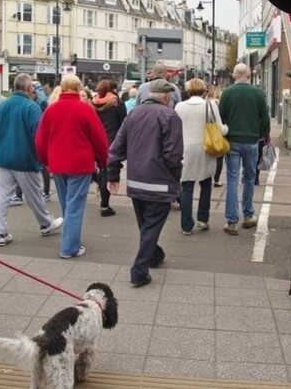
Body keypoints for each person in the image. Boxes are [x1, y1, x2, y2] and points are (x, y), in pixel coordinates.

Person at [107, 79, 183, 287]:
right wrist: (176, 179)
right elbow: (173, 155)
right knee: (151, 225)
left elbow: (116, 148)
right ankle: (139, 269)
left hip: (136, 181)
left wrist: (113, 175)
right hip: (160, 182)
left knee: (146, 225)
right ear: (167, 97)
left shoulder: (134, 114)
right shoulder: (170, 116)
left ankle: (154, 254)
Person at [36, 75, 109, 258]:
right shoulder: (85, 110)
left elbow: (40, 141)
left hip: (57, 164)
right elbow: (100, 139)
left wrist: (46, 160)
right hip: (80, 164)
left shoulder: (51, 111)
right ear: (78, 89)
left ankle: (70, 239)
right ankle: (69, 247)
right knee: (75, 206)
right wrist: (102, 159)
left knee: (66, 204)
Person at [0, 73, 63, 247]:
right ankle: (46, 223)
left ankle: (0, 232)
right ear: (28, 88)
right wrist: (43, 157)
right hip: (24, 159)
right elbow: (39, 136)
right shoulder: (32, 108)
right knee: (35, 195)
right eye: (32, 87)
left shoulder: (1, 106)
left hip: (4, 158)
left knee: (2, 196)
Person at [218, 63, 270, 235]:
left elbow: (221, 117)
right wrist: (262, 135)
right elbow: (265, 118)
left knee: (232, 179)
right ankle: (248, 215)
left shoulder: (227, 93)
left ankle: (231, 221)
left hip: (232, 140)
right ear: (249, 75)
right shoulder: (258, 93)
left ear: (234, 75)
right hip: (252, 141)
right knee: (249, 178)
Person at [175, 78, 227, 235]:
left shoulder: (179, 107)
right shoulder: (210, 105)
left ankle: (186, 226)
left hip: (186, 149)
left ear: (188, 90)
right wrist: (227, 127)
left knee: (187, 186)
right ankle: (202, 219)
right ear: (204, 90)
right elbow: (221, 130)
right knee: (206, 183)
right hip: (206, 148)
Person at [92, 79, 127, 217]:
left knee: (102, 170)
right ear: (112, 89)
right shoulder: (117, 103)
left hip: (98, 139)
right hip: (113, 141)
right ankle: (104, 205)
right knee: (108, 171)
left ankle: (103, 197)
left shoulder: (94, 103)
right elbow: (124, 123)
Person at [209, 87, 224, 187]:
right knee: (219, 158)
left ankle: (207, 177)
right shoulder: (220, 104)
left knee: (208, 156)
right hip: (218, 133)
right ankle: (217, 179)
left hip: (207, 132)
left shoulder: (205, 103)